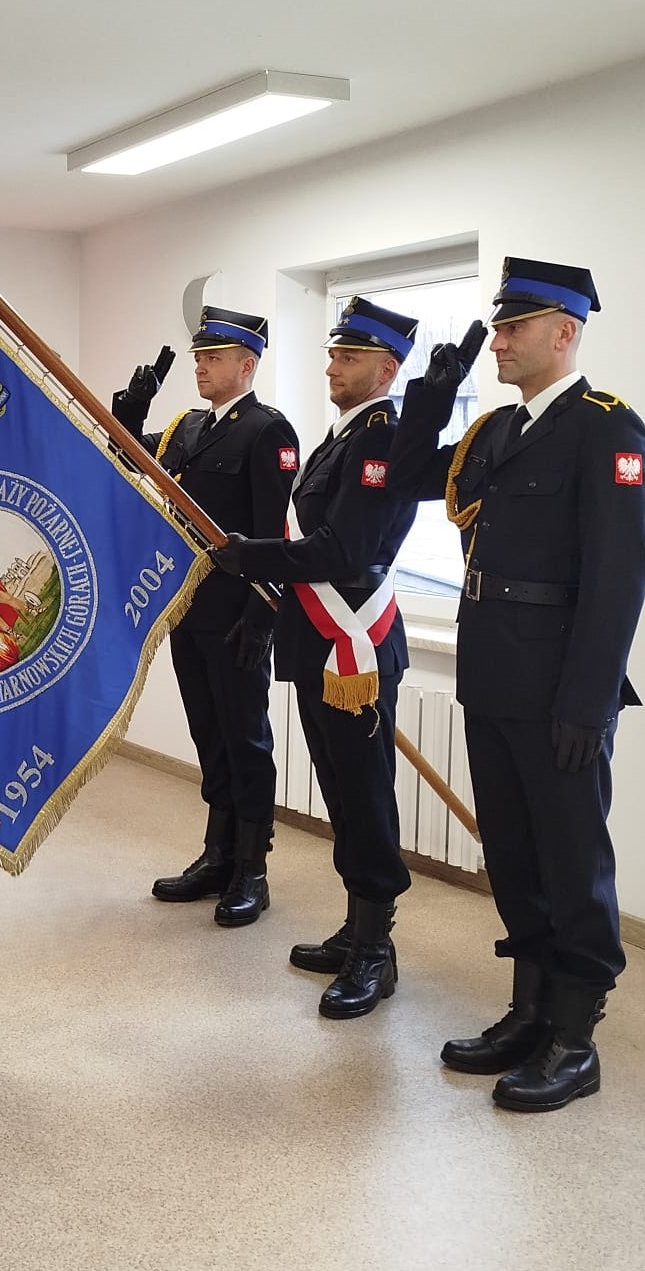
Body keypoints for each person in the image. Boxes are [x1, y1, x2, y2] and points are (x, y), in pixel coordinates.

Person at [388, 258, 645, 1111]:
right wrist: (431, 398)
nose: (498, 341)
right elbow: (405, 479)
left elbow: (619, 578)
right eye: (498, 327)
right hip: (494, 676)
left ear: (564, 332)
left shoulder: (607, 431)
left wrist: (590, 700)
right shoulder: (495, 432)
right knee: (511, 852)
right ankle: (530, 1010)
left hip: (560, 690)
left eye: (513, 327)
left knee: (572, 860)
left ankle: (575, 1037)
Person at [210, 297, 419, 1019]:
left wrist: (250, 556)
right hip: (317, 642)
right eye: (332, 353)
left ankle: (377, 951)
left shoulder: (383, 439)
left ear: (386, 370)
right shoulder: (340, 438)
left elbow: (344, 551)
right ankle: (357, 927)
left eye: (349, 356)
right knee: (341, 793)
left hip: (354, 645)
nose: (333, 366)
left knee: (365, 798)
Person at [112, 307, 298, 926]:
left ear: (246, 366)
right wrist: (130, 413)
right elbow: (134, 465)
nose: (200, 367)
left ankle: (252, 869)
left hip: (237, 613)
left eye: (213, 358)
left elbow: (273, 534)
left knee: (245, 739)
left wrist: (262, 615)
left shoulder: (268, 431)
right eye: (199, 357)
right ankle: (217, 855)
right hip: (188, 608)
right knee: (209, 735)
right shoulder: (187, 426)